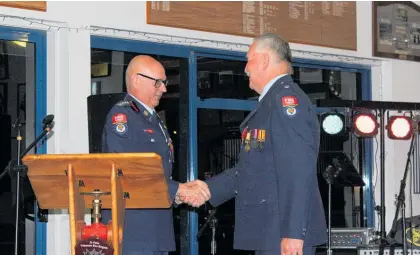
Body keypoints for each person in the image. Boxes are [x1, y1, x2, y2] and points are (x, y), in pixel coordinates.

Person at [180, 33, 327, 255]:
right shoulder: (270, 103)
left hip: (283, 233)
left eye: (248, 59)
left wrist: (294, 233)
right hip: (271, 230)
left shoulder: (285, 102)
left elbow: (297, 170)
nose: (245, 68)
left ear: (265, 60)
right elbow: (252, 169)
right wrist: (209, 189)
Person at [101, 55, 210, 255]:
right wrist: (179, 189)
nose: (164, 89)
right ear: (136, 80)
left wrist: (177, 195)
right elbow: (128, 170)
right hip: (134, 231)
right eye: (157, 82)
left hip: (157, 231)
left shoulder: (152, 119)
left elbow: (157, 174)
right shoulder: (123, 117)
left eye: (164, 83)